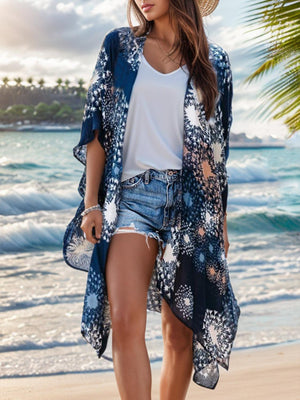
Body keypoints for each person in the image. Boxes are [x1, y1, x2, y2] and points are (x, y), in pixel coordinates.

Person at [63, 0, 241, 398]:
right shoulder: (118, 47)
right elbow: (96, 129)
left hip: (192, 207)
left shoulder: (217, 63)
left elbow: (217, 153)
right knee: (126, 322)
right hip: (130, 199)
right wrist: (92, 201)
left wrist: (221, 221)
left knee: (179, 335)